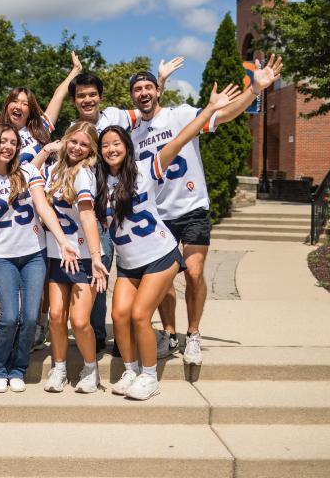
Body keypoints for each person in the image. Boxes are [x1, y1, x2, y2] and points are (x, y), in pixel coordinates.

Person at [129, 55, 282, 365]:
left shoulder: (180, 115)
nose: (143, 92)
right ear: (132, 96)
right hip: (158, 215)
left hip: (192, 207)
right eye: (137, 89)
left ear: (158, 91)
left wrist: (254, 90)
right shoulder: (132, 136)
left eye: (148, 87)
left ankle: (194, 334)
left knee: (195, 273)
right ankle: (170, 334)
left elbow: (223, 114)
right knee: (164, 281)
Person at [95, 82, 241, 400]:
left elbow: (181, 139)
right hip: (130, 263)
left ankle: (150, 377)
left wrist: (212, 109)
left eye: (116, 144)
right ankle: (131, 370)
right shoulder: (99, 181)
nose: (111, 149)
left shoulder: (148, 168)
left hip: (160, 255)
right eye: (105, 145)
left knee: (139, 315)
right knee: (119, 316)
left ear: (127, 147)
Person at [39, 57, 184, 354]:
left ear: (100, 98)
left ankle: (124, 334)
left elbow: (148, 108)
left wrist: (162, 82)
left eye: (92, 94)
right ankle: (93, 334)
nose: (87, 99)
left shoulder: (117, 116)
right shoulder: (73, 131)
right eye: (81, 95)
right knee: (98, 273)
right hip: (91, 210)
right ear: (75, 101)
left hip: (117, 205)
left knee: (117, 272)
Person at [0, 123, 79, 393]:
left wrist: (62, 241)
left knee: (29, 318)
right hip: (2, 257)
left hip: (34, 254)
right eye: (3, 141)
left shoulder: (28, 171)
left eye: (12, 142)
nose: (8, 146)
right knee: (9, 318)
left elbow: (43, 207)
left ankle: (18, 368)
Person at [0, 51, 83, 350]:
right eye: (14, 101)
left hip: (40, 206)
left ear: (30, 108)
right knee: (9, 265)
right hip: (10, 211)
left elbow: (58, 97)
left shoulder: (38, 131)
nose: (19, 106)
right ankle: (13, 320)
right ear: (7, 106)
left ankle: (38, 323)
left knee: (40, 267)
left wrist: (73, 73)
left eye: (25, 102)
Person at [32, 121, 108, 393]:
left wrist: (97, 257)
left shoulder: (84, 174)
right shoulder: (53, 169)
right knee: (55, 316)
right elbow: (27, 173)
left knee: (79, 320)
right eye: (73, 141)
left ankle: (90, 368)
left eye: (84, 144)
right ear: (65, 140)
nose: (77, 148)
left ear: (91, 150)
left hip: (82, 256)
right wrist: (48, 148)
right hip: (56, 255)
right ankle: (60, 366)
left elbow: (88, 215)